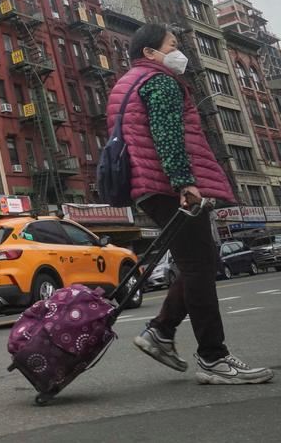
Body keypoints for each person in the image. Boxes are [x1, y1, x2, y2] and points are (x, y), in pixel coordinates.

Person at [108, 24, 273, 385]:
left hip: (149, 186)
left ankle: (161, 332)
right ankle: (213, 358)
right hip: (168, 185)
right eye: (172, 45)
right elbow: (167, 135)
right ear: (151, 53)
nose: (178, 51)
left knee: (201, 261)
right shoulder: (160, 81)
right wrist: (184, 182)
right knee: (200, 267)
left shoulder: (129, 83)